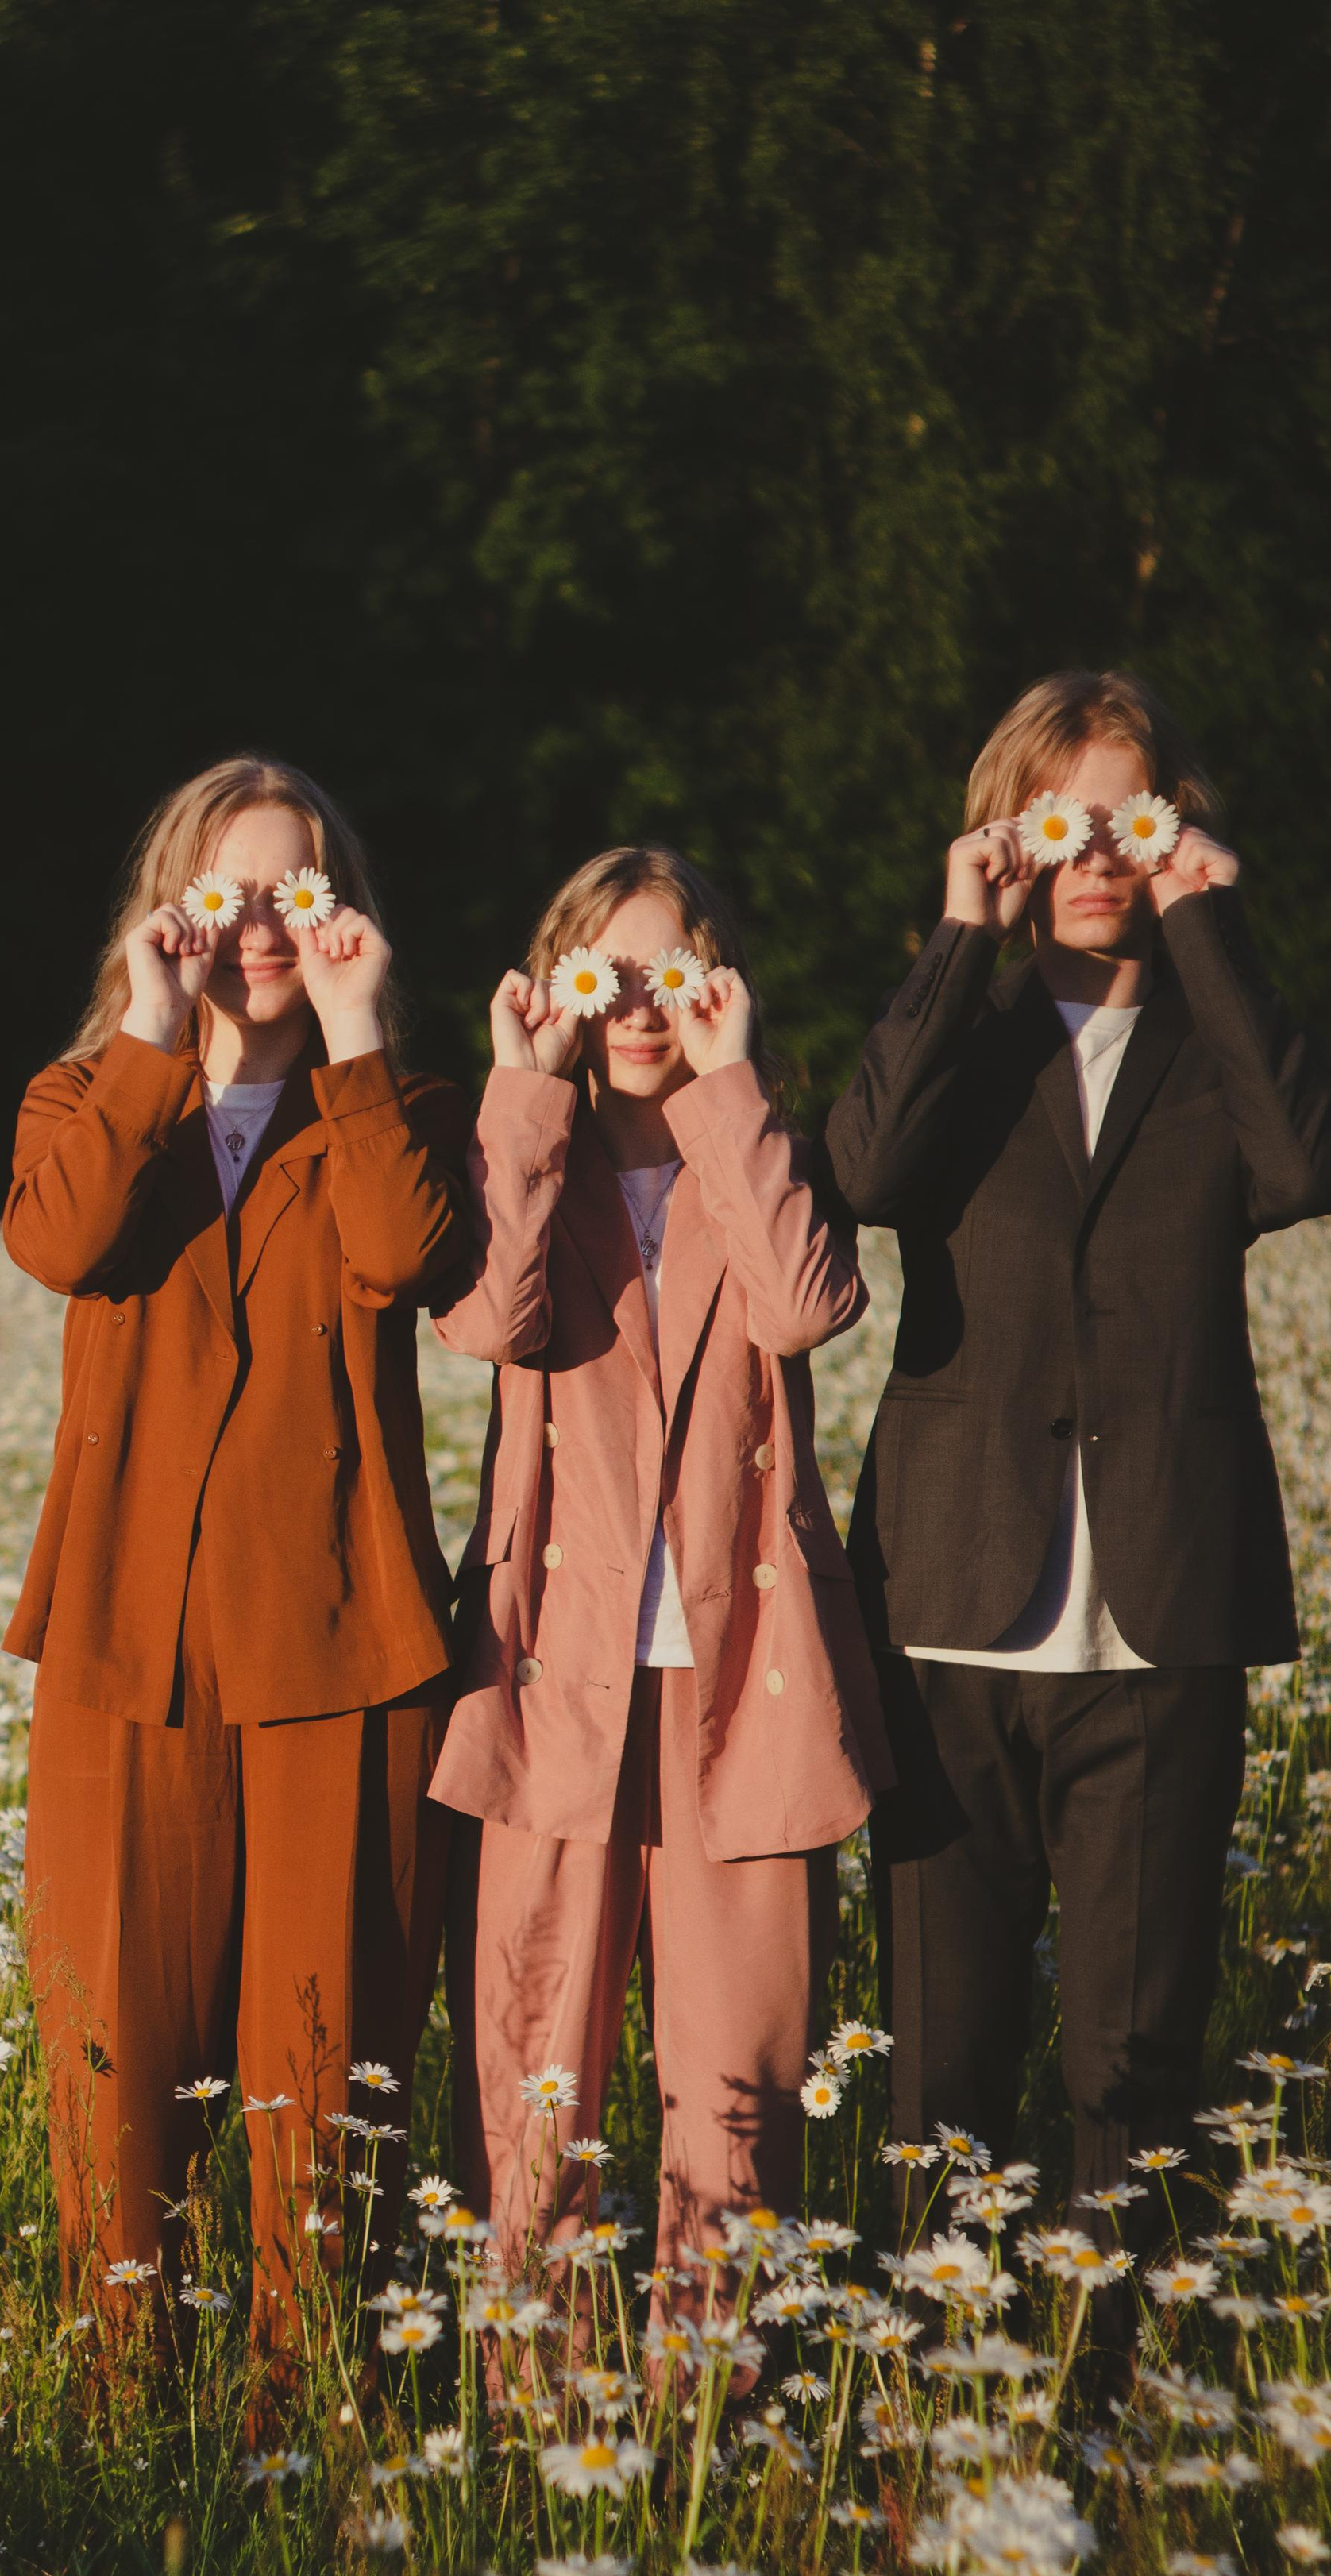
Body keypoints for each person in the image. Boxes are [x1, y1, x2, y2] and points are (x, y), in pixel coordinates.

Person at [826, 670, 1331, 2237]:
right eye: (1054, 820)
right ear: (1006, 835)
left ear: (1173, 832)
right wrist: (961, 936)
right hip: (950, 1609)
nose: (1091, 855)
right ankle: (937, 2368)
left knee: (1133, 2067)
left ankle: (1110, 2369)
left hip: (1159, 1621)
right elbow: (862, 1169)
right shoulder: (963, 1034)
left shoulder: (1223, 1046)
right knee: (942, 2065)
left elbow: (1307, 1169)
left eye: (1125, 820)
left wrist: (1208, 922)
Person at [3, 755, 467, 2361]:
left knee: (323, 2060)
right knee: (116, 2063)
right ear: (170, 911)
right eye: (229, 888)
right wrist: (151, 1031)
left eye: (297, 889)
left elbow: (405, 1253)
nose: (261, 922)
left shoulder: (397, 1112)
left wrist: (354, 1036)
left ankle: (313, 2401)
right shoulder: (86, 1099)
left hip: (342, 1638)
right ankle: (124, 2406)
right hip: (124, 1638)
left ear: (344, 915)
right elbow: (62, 1242)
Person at [430, 845, 889, 2340]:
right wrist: (523, 1088)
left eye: (668, 970)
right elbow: (487, 1319)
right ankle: (538, 2396)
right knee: (533, 2062)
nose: (636, 1004)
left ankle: (715, 2413)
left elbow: (805, 1307)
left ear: (718, 982)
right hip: (550, 1672)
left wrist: (730, 1085)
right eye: (603, 972)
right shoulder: (524, 1153)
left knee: (741, 2074)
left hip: (745, 1673)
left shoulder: (760, 1147)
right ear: (558, 986)